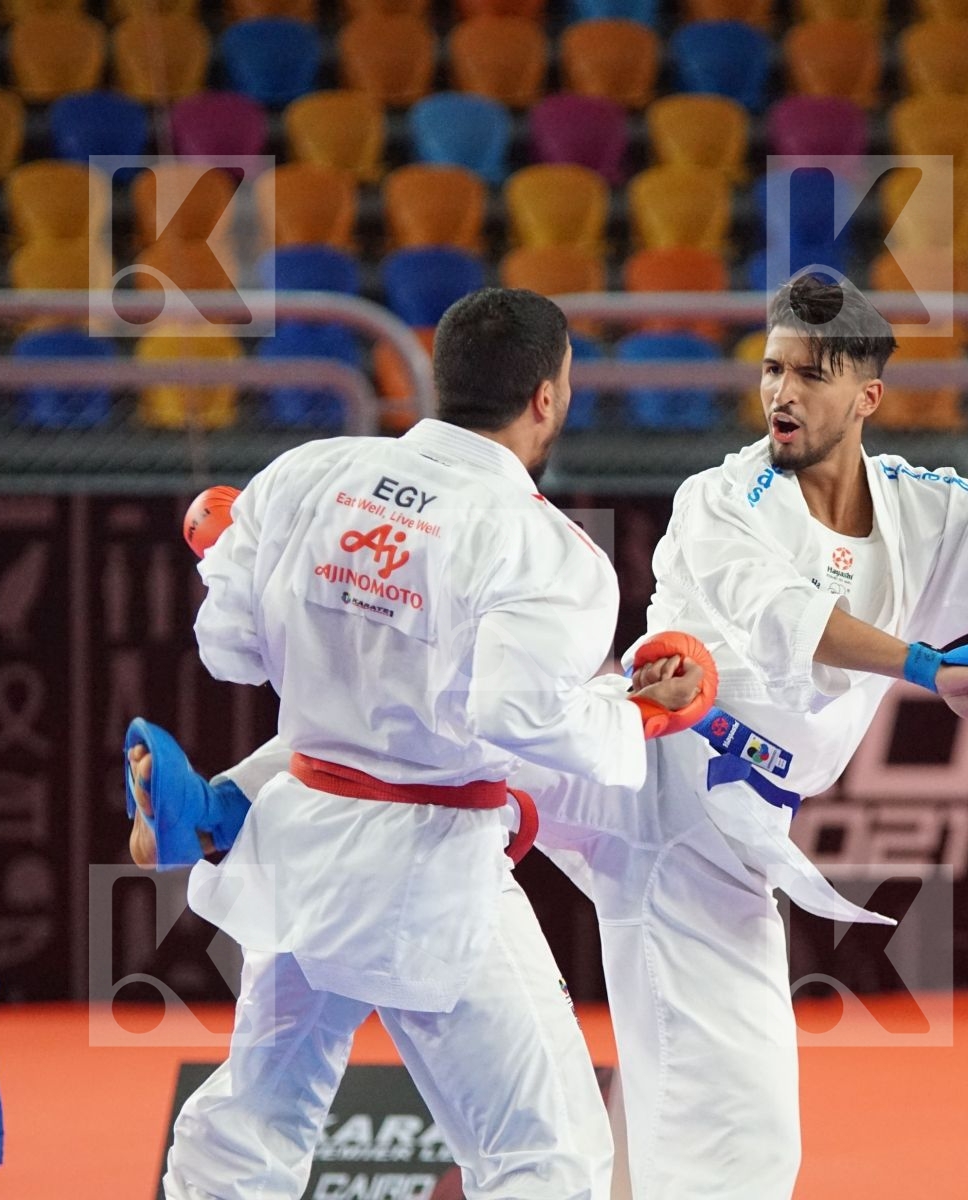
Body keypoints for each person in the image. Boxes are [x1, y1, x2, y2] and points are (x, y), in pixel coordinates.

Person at [131, 275, 968, 1200]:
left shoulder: (924, 511)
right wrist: (930, 668)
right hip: (637, 754)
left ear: (870, 392)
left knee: (741, 1144)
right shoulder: (724, 499)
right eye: (771, 368)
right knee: (427, 739)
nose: (783, 391)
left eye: (812, 372)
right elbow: (778, 618)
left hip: (713, 832)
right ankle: (224, 804)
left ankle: (232, 806)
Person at [147, 287, 714, 1200]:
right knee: (549, 1149)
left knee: (256, 1116)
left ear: (441, 378)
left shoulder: (307, 473)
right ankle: (212, 806)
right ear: (547, 397)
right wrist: (639, 713)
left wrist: (235, 553)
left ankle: (216, 805)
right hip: (428, 866)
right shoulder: (547, 549)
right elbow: (518, 715)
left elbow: (231, 651)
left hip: (304, 835)